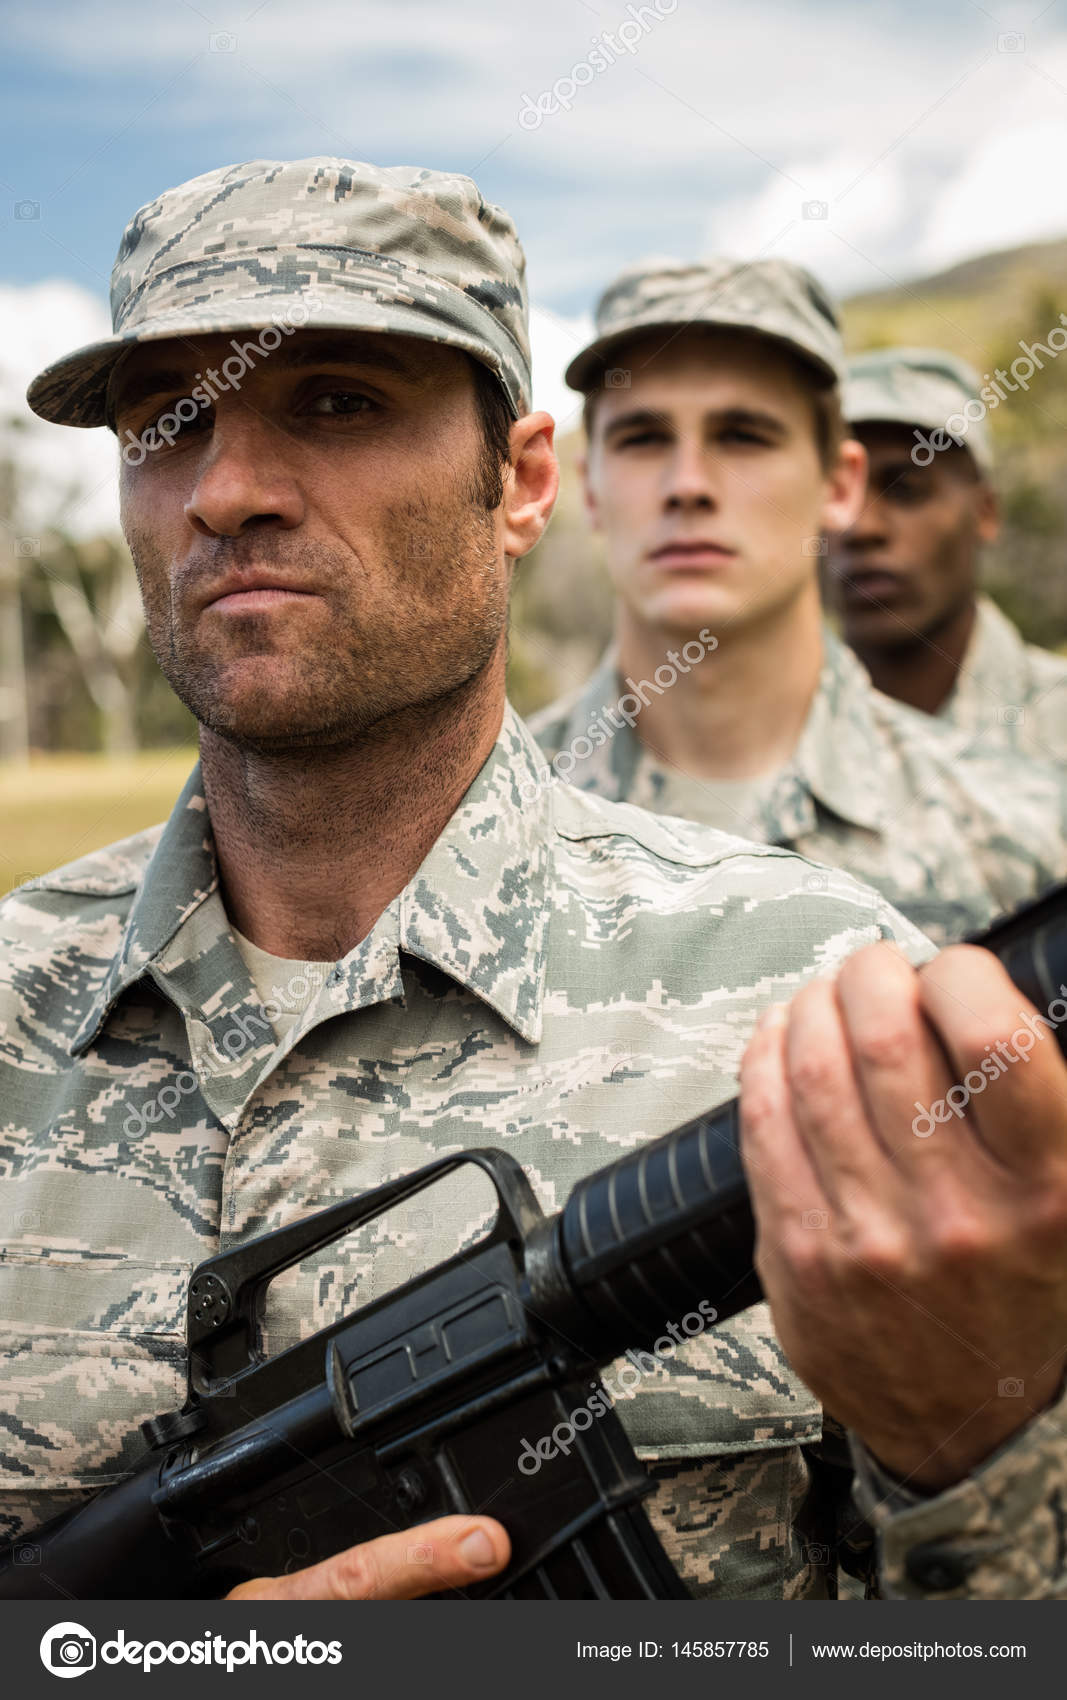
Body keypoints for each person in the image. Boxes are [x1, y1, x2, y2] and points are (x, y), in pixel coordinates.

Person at [2, 159, 1066, 1603]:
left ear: (518, 484)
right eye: (163, 425)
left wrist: (968, 1446)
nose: (227, 490)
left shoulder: (810, 992)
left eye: (336, 402)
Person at [529, 260, 1064, 946]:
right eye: (642, 437)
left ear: (838, 486)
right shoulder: (459, 829)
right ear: (591, 490)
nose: (686, 484)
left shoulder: (1021, 836)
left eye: (742, 435)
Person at [830, 346, 1067, 764]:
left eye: (903, 490)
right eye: (835, 493)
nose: (860, 528)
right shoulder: (738, 739)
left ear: (985, 513)